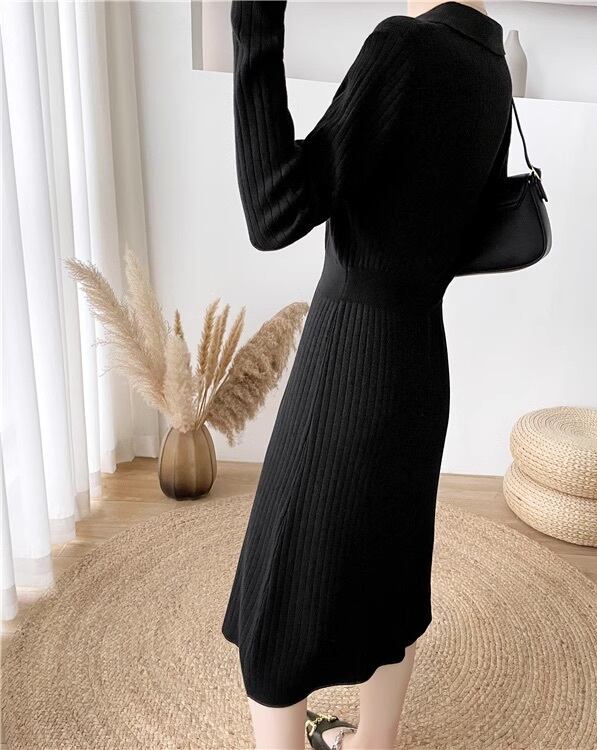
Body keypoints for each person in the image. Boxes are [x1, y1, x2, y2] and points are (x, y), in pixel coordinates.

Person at [221, 1, 512, 748]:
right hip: (419, 362)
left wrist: (255, 25)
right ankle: (370, 742)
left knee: (279, 596)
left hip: (350, 355)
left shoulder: (404, 48)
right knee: (391, 573)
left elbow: (273, 211)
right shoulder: (492, 65)